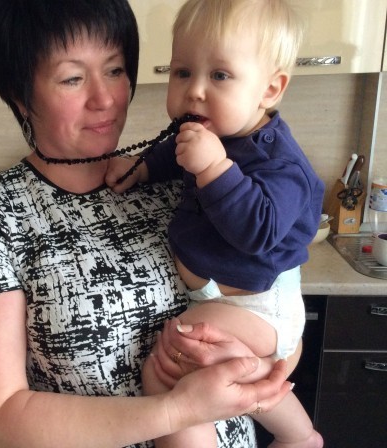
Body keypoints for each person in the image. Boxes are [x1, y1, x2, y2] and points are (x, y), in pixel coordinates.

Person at [0, 1, 294, 447]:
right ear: (19, 95)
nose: (104, 99)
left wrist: (253, 363)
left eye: (115, 70)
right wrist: (177, 410)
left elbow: (278, 311)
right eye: (72, 78)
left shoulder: (189, 178)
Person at [106, 1, 325, 447]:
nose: (195, 91)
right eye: (182, 72)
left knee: (168, 365)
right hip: (225, 300)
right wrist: (143, 167)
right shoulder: (216, 135)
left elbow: (259, 231)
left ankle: (299, 436)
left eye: (220, 75)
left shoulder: (282, 165)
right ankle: (300, 438)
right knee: (223, 367)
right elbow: (174, 154)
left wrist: (214, 169)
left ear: (270, 89)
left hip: (258, 306)